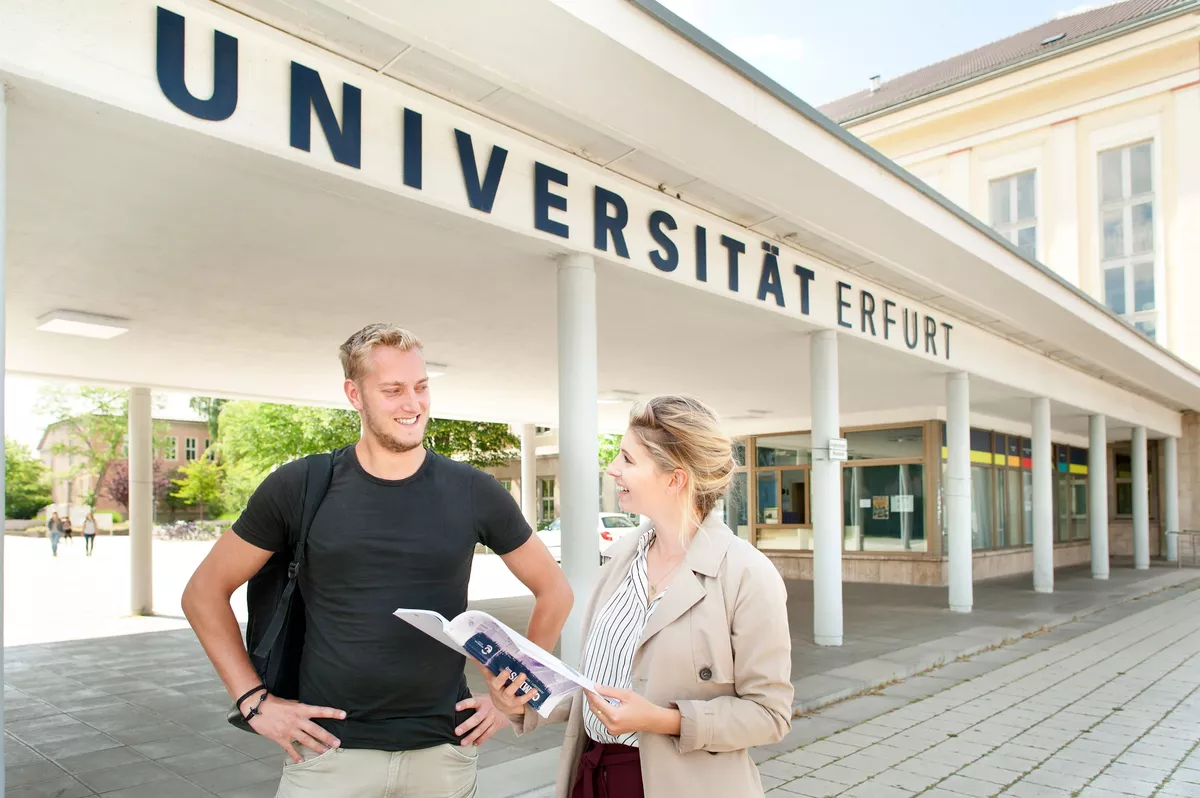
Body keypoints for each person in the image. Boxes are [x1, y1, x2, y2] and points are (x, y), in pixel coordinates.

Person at [182, 324, 572, 798]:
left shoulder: (473, 491)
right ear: (354, 394)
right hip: (329, 755)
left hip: (442, 756)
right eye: (393, 390)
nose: (413, 403)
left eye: (421, 387)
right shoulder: (301, 485)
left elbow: (555, 590)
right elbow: (203, 592)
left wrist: (512, 696)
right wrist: (253, 701)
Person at [497, 396, 793, 797]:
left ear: (675, 478)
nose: (612, 468)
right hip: (590, 778)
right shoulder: (619, 558)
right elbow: (603, 687)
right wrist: (529, 697)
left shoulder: (747, 575)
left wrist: (662, 719)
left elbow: (769, 714)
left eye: (628, 460)